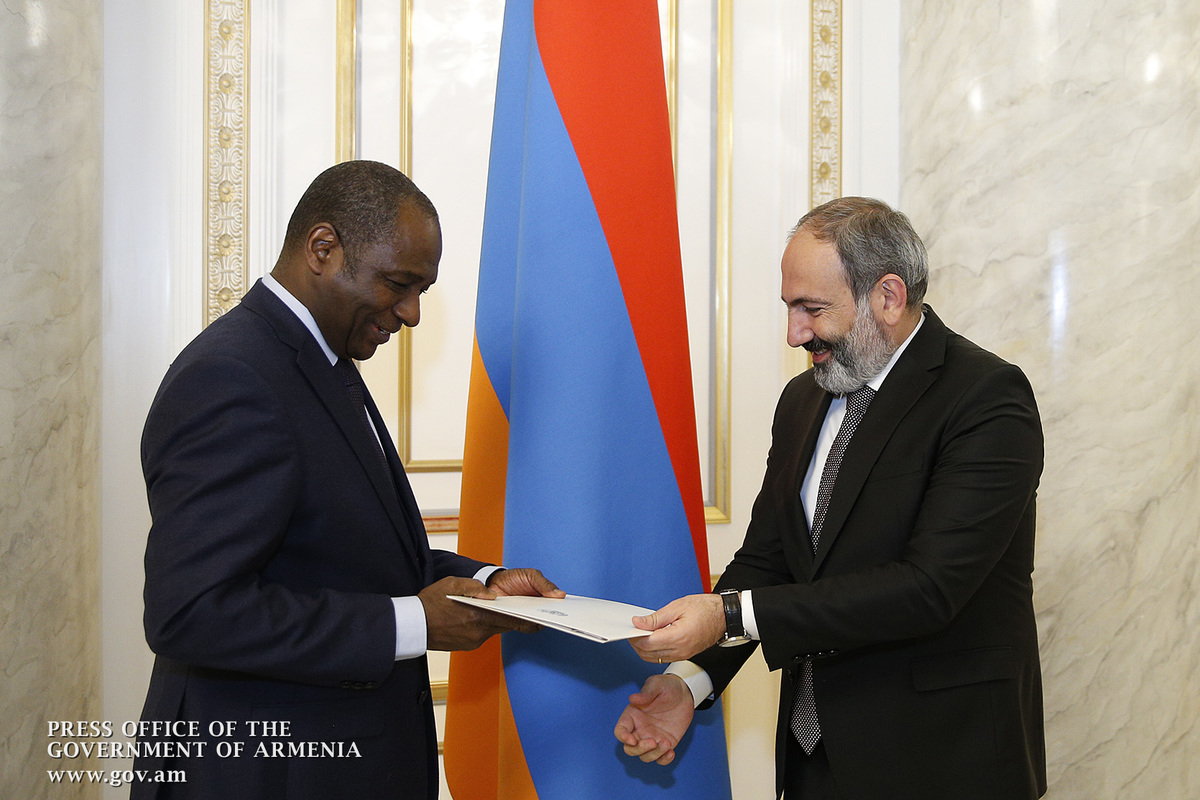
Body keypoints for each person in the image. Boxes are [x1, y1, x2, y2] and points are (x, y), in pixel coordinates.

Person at [132, 160, 562, 800]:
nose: (412, 313)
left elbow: (355, 553)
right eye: (399, 284)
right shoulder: (232, 376)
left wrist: (485, 584)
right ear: (322, 249)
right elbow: (191, 612)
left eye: (422, 290)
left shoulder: (318, 359)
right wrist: (414, 624)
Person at [614, 197, 1046, 799]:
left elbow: (929, 588)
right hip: (813, 761)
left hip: (942, 761)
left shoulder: (986, 398)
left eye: (811, 309)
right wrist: (691, 680)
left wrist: (730, 614)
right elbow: (768, 561)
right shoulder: (802, 400)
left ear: (888, 297)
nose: (795, 334)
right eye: (790, 308)